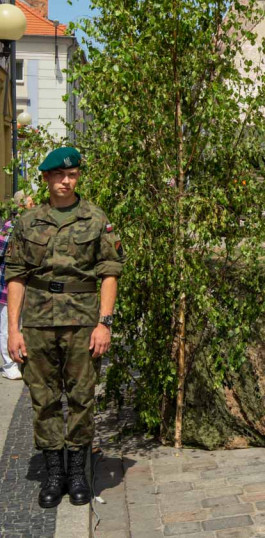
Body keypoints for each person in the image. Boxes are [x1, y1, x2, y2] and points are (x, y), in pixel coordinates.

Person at [5, 147, 124, 507]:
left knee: (81, 398)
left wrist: (104, 323)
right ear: (46, 178)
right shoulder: (28, 223)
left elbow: (109, 273)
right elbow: (16, 277)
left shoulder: (95, 218)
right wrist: (13, 330)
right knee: (43, 399)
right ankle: (54, 472)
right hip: (38, 324)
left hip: (83, 323)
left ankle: (77, 472)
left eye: (71, 175)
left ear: (78, 177)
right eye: (58, 175)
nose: (65, 180)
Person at [1, 191, 35, 379]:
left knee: (22, 323)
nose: (34, 205)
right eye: (31, 203)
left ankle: (20, 358)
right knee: (8, 325)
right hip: (7, 287)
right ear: (21, 206)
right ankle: (8, 364)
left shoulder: (35, 225)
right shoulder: (10, 227)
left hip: (27, 287)